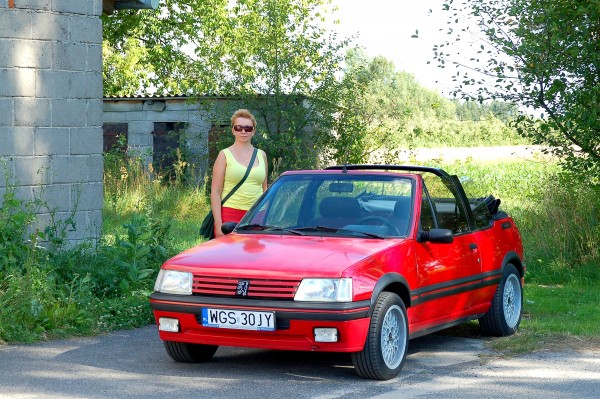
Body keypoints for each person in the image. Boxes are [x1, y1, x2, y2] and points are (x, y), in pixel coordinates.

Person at [210, 109, 268, 238]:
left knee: (256, 255)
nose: (243, 131)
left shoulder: (261, 155)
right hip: (231, 214)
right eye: (239, 128)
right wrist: (218, 224)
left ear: (253, 131)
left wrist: (267, 215)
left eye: (248, 128)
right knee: (230, 256)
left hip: (257, 215)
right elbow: (215, 191)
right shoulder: (224, 155)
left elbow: (265, 189)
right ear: (233, 130)